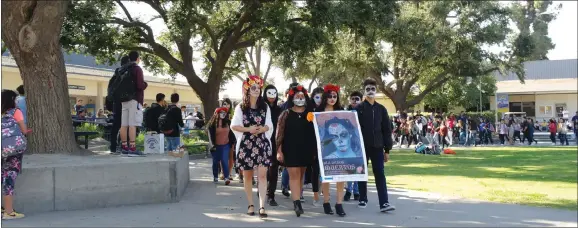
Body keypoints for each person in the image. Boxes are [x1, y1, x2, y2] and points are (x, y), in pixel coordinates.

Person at [230, 75, 273, 219]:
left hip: (262, 144)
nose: (256, 90)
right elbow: (234, 126)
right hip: (246, 145)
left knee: (262, 175)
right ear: (248, 90)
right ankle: (250, 204)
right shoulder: (240, 107)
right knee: (248, 176)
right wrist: (249, 129)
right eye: (253, 87)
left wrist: (261, 129)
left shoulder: (265, 106)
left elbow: (269, 125)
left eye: (258, 88)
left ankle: (262, 206)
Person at [355, 78, 395, 213]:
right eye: (368, 89)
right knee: (362, 173)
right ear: (364, 91)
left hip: (378, 147)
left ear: (376, 90)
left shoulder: (382, 109)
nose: (370, 91)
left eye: (373, 89)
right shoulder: (358, 109)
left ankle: (384, 202)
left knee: (380, 174)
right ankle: (362, 198)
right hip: (362, 147)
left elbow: (386, 130)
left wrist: (387, 149)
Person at [275, 85, 316, 217]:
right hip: (289, 149)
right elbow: (279, 133)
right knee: (293, 174)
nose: (299, 98)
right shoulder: (285, 114)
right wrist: (279, 150)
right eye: (297, 96)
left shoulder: (310, 114)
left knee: (300, 175)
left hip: (305, 149)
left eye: (302, 96)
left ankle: (298, 197)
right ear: (292, 98)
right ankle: (296, 203)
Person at [315, 83, 347, 217]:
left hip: (340, 148)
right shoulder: (318, 112)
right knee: (326, 177)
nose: (332, 98)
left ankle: (339, 203)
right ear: (325, 97)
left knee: (341, 176)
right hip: (325, 147)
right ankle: (326, 202)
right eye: (330, 96)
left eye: (335, 96)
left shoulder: (342, 112)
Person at [1, 89, 31, 220]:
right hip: (13, 151)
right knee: (9, 179)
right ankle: (9, 212)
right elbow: (24, 130)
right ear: (12, 100)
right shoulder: (16, 112)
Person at [119, 51, 148, 156]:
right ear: (137, 58)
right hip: (134, 99)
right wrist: (145, 84)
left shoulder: (123, 69)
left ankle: (124, 147)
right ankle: (132, 148)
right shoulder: (137, 69)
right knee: (133, 124)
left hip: (124, 100)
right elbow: (140, 86)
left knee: (124, 125)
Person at [263, 84, 282, 206]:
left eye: (274, 94)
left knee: (273, 170)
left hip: (275, 142)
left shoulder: (279, 110)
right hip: (262, 142)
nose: (272, 97)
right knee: (263, 169)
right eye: (269, 94)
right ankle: (262, 189)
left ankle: (271, 195)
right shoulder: (261, 108)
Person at [107, 56, 130, 154]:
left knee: (116, 125)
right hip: (126, 102)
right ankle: (125, 145)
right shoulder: (127, 74)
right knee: (127, 126)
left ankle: (113, 147)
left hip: (116, 103)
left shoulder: (114, 76)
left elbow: (109, 92)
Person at [207, 107, 233, 185]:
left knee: (225, 161)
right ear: (217, 114)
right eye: (221, 112)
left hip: (225, 145)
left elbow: (231, 133)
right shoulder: (212, 124)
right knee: (215, 162)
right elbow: (210, 136)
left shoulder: (228, 122)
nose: (223, 114)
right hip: (215, 146)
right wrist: (212, 145)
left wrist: (231, 143)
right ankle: (215, 176)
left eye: (224, 113)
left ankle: (226, 178)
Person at [344, 90, 362, 202]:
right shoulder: (345, 112)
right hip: (348, 143)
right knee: (349, 167)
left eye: (357, 99)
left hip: (360, 143)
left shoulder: (364, 112)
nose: (354, 101)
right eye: (353, 99)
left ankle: (356, 191)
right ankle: (348, 190)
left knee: (359, 167)